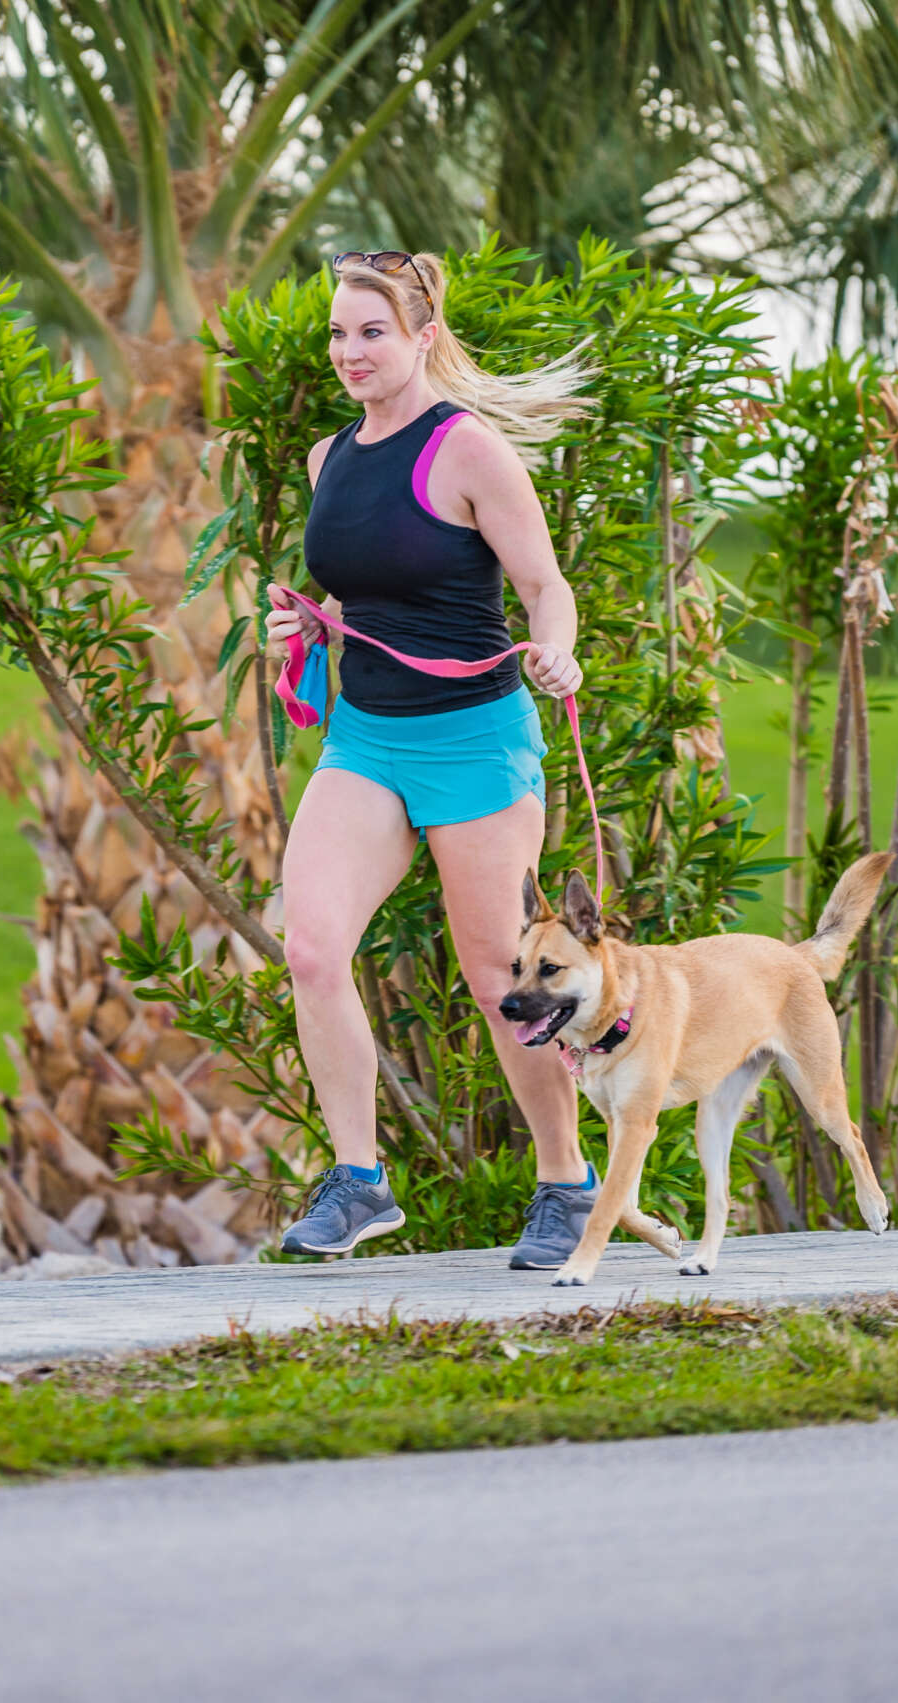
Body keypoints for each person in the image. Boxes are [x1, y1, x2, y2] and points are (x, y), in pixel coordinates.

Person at [267, 249, 596, 1268]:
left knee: (503, 974)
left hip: (476, 744)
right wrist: (316, 622)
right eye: (336, 333)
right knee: (311, 947)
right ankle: (359, 1180)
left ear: (419, 335)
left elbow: (542, 584)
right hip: (366, 737)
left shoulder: (469, 450)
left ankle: (566, 1182)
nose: (349, 351)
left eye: (370, 331)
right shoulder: (331, 459)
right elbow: (377, 591)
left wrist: (560, 648)